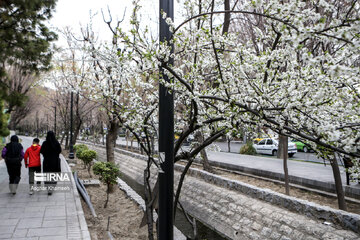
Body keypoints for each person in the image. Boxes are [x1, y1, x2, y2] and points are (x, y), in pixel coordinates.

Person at [40, 131, 61, 195]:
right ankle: (52, 187)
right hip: (55, 162)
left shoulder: (44, 143)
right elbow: (59, 151)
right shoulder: (56, 143)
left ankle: (48, 188)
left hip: (46, 161)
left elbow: (41, 151)